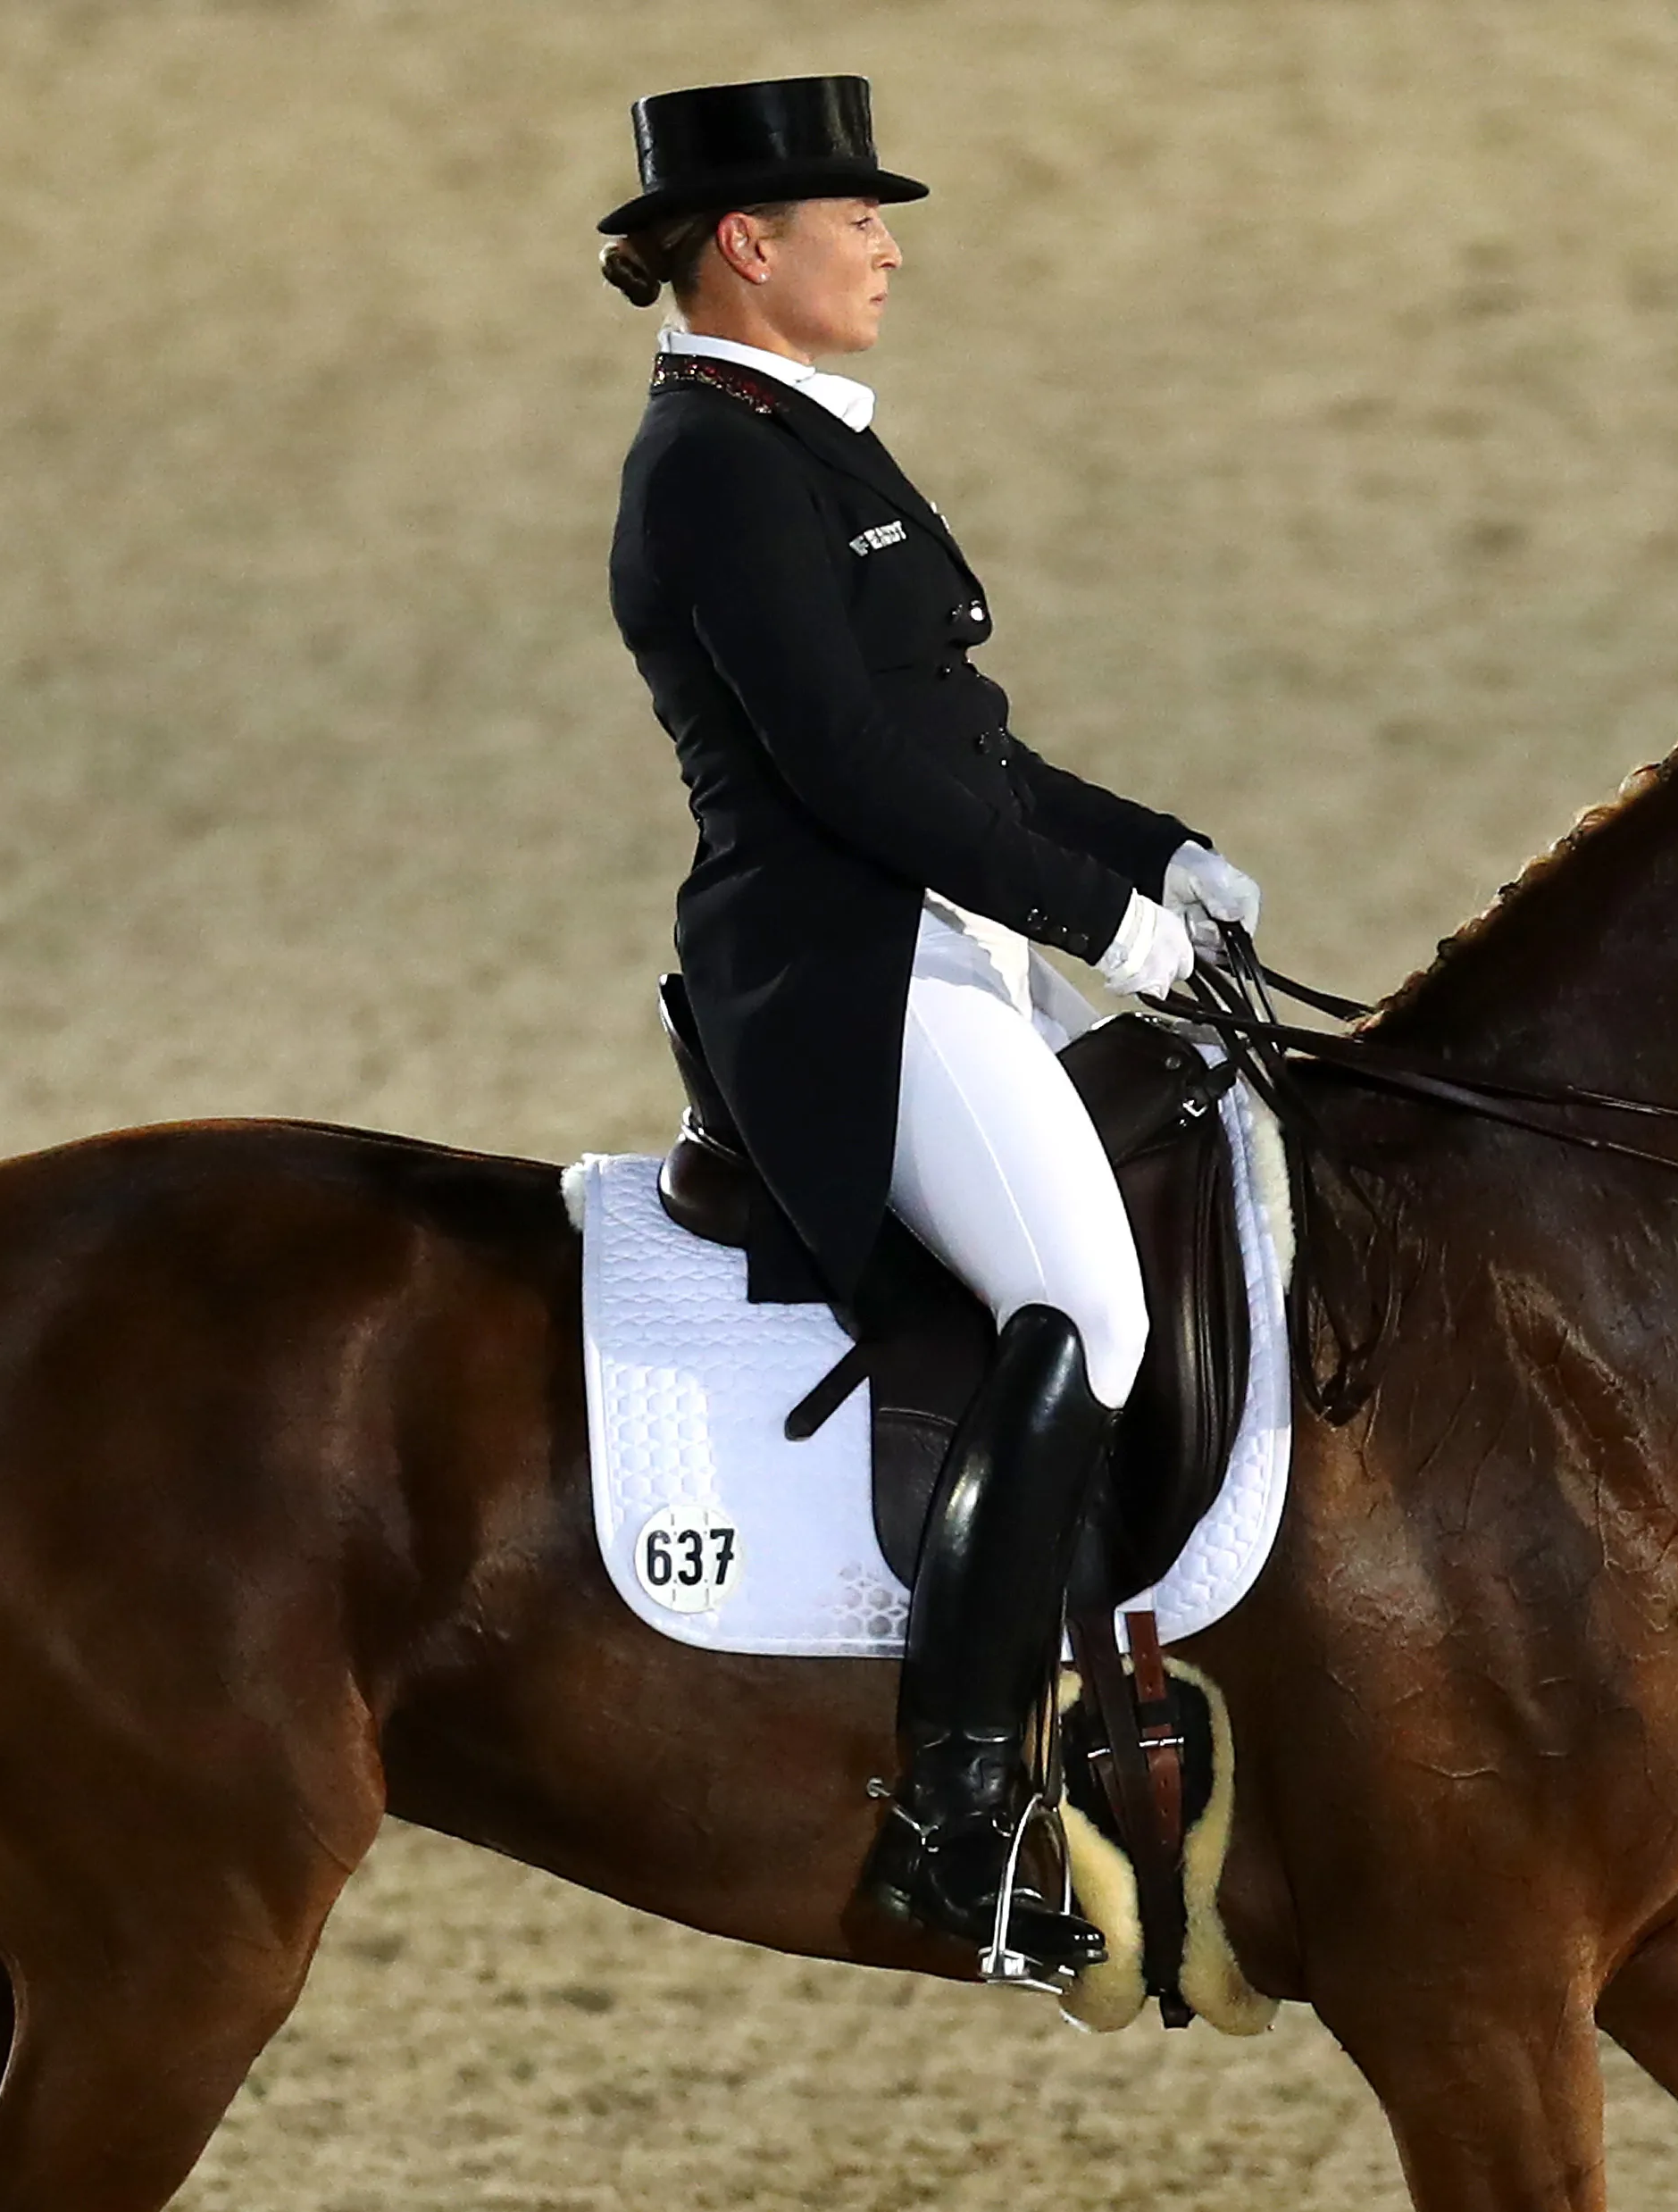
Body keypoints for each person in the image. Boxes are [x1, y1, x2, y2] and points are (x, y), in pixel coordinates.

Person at [599, 74, 1264, 1980]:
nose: (885, 249)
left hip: (941, 947)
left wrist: (1161, 853)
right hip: (840, 971)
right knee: (1092, 1311)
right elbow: (846, 769)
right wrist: (1104, 924)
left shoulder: (793, 439)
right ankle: (960, 1808)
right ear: (752, 243)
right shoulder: (715, 463)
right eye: (856, 223)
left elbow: (958, 747)